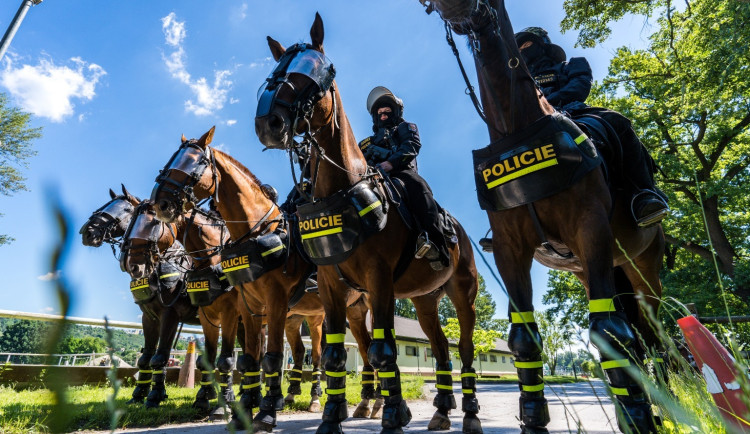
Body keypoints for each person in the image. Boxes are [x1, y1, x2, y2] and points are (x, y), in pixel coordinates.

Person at [515, 27, 668, 227]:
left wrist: (547, 105)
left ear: (543, 45)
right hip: (535, 125)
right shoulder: (520, 83)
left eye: (528, 44)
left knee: (618, 122)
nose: (524, 49)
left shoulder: (572, 64)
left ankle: (643, 193)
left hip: (574, 113)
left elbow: (579, 86)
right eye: (520, 48)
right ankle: (510, 218)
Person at [359, 86, 450, 270]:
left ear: (396, 112)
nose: (383, 115)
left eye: (387, 111)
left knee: (418, 187)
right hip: (372, 179)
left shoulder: (405, 127)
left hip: (401, 173)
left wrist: (390, 163)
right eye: (380, 113)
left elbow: (412, 146)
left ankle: (436, 244)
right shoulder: (366, 142)